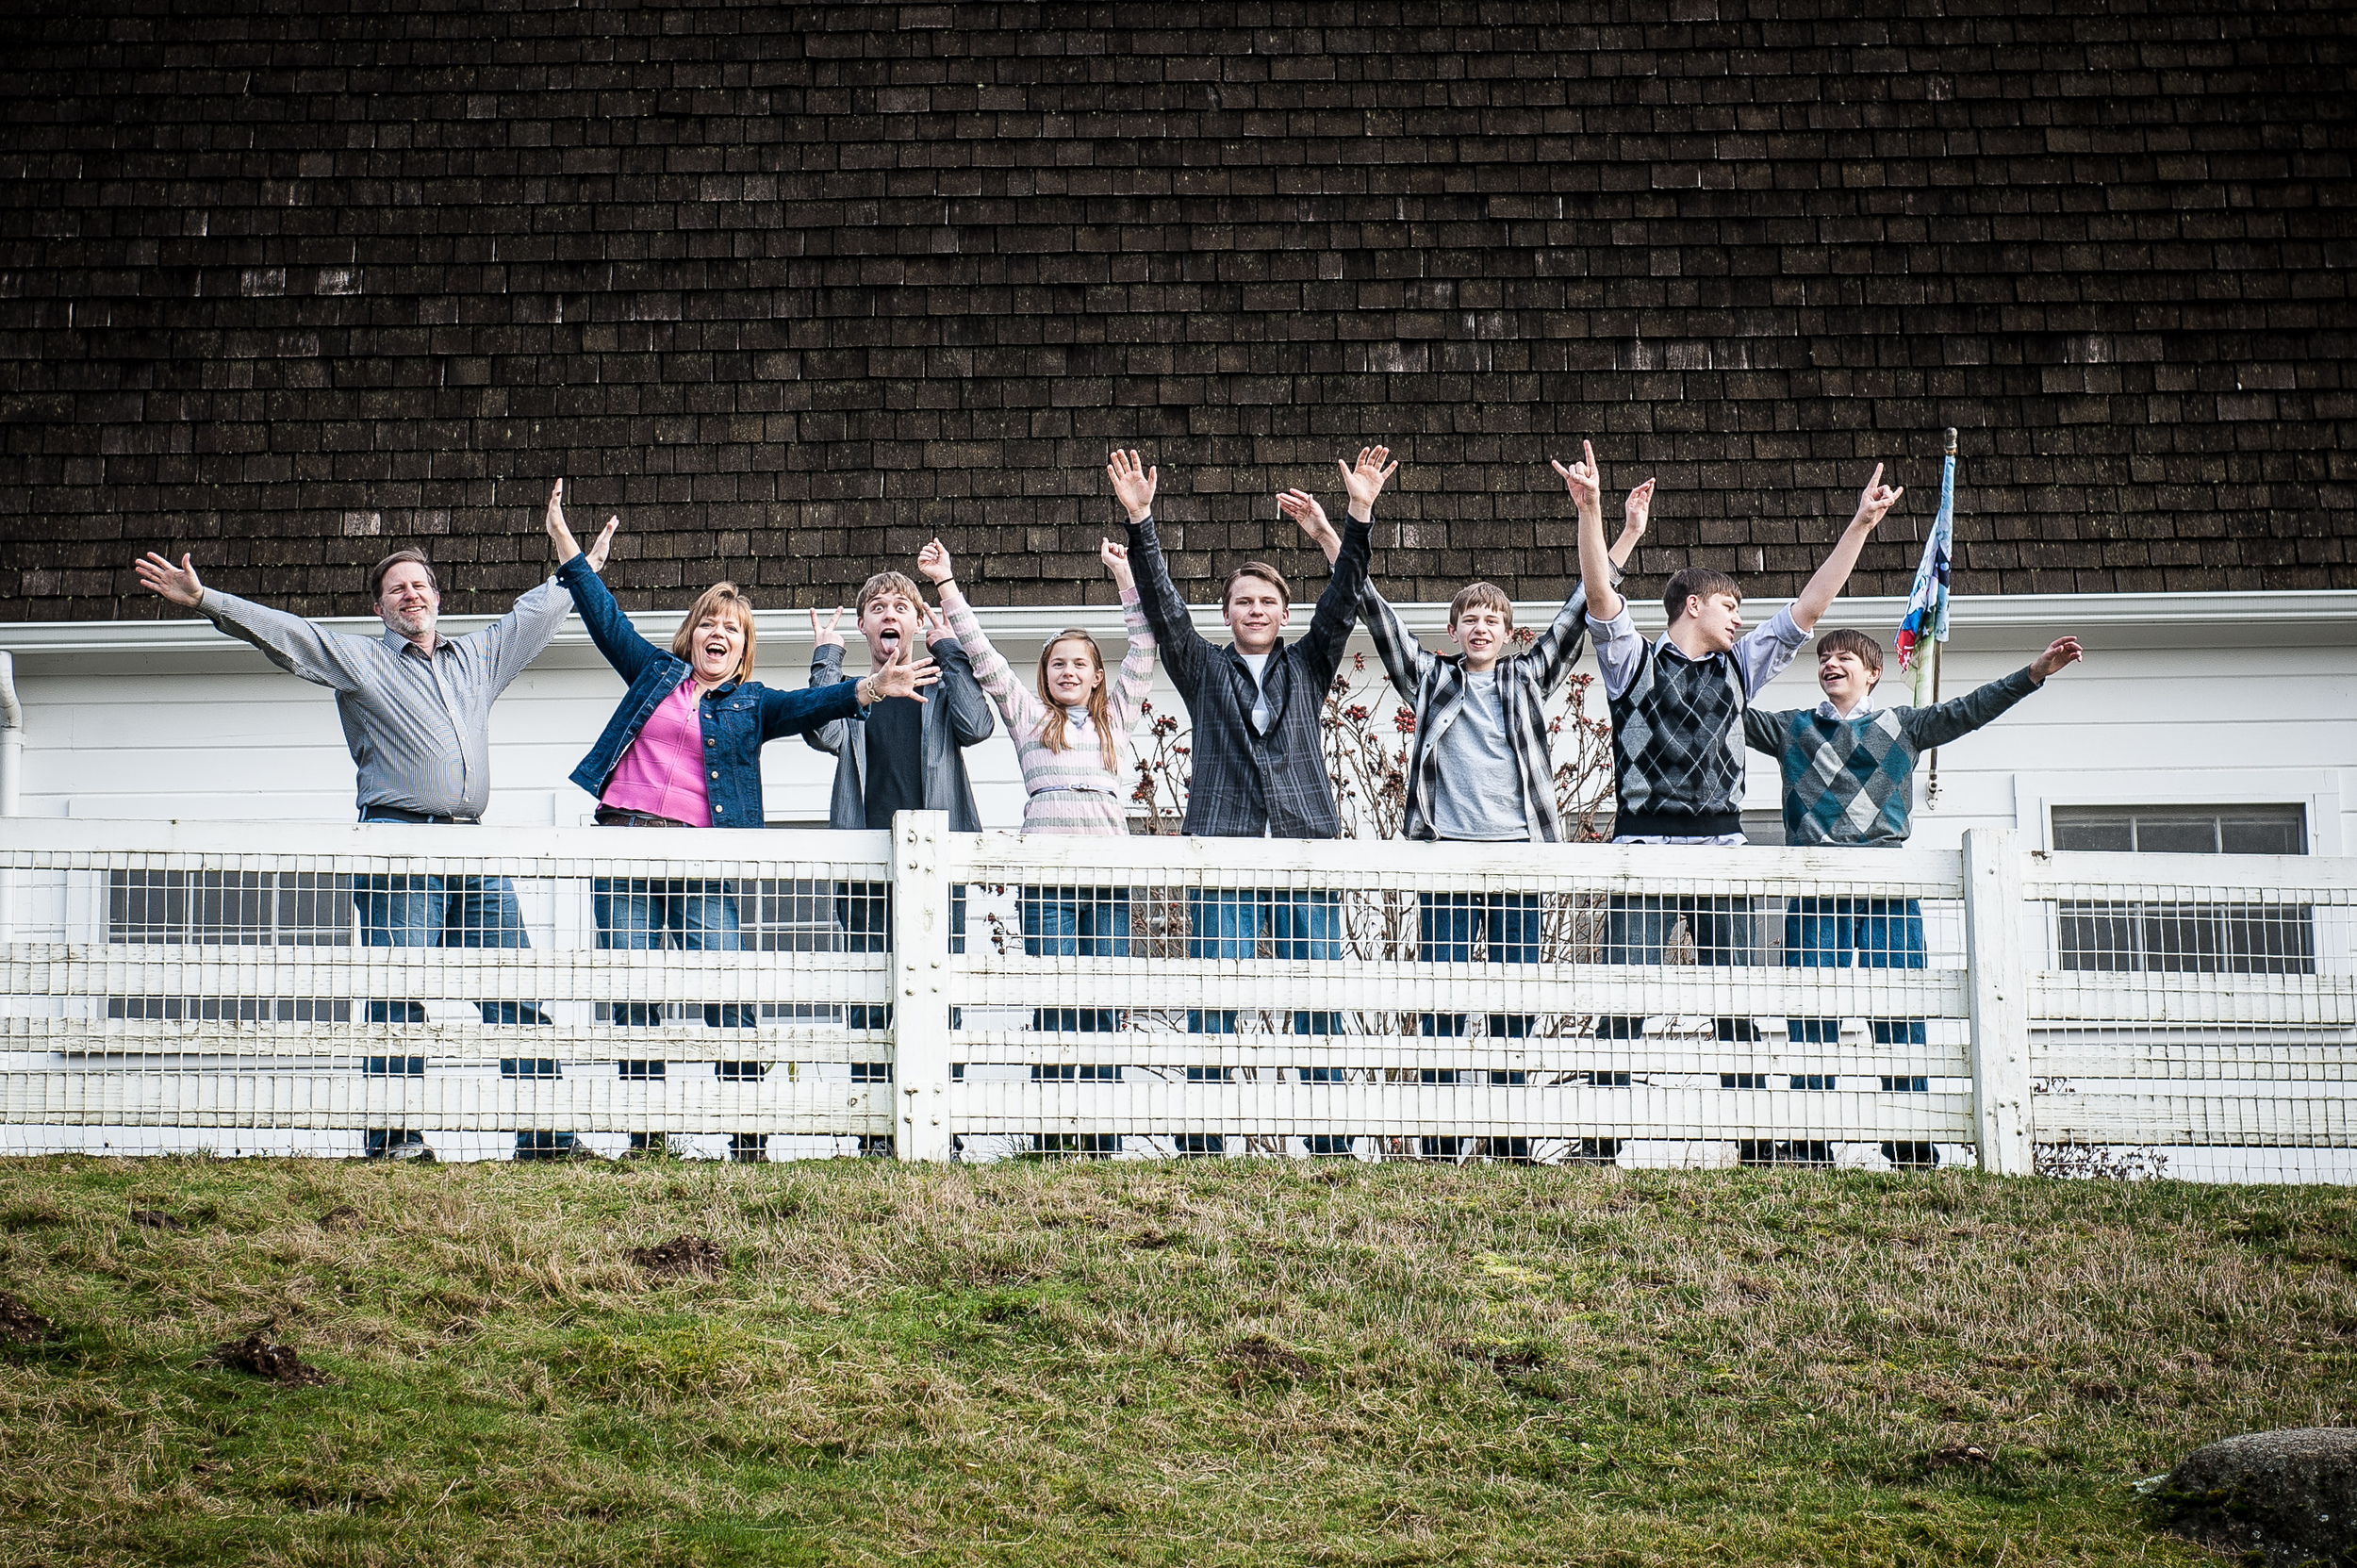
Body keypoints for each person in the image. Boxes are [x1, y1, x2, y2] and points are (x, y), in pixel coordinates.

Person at [131, 486, 612, 1158]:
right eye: (396, 588)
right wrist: (208, 600)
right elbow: (289, 635)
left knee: (517, 990)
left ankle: (548, 1138)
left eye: (419, 584)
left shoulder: (477, 659)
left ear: (437, 597)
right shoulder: (364, 662)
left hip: (473, 848)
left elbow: (538, 610)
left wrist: (579, 562)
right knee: (397, 997)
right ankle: (394, 1140)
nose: (410, 594)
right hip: (397, 843)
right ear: (379, 606)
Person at [1281, 448, 1649, 979]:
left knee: (1515, 988)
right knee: (1441, 985)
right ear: (1452, 631)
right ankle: (1442, 1069)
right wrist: (1325, 536)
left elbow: (1583, 606)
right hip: (1445, 854)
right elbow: (1373, 607)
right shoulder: (1432, 678)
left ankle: (1510, 1068)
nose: (1481, 628)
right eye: (1470, 619)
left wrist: (1626, 535)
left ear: (1507, 633)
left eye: (1492, 621)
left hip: (1519, 855)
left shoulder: (1526, 678)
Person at [546, 489, 937, 983]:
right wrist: (565, 543)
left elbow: (810, 704)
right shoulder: (654, 672)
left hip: (703, 852)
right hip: (626, 840)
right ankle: (640, 1066)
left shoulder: (753, 703)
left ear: (743, 647)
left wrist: (870, 687)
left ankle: (743, 1067)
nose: (719, 633)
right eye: (708, 623)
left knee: (726, 982)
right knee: (631, 983)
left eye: (731, 628)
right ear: (691, 636)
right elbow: (606, 619)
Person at [1563, 441, 1907, 972]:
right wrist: (1591, 512)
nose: (1739, 620)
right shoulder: (1631, 662)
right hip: (1640, 850)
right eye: (1730, 607)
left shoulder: (1739, 667)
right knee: (1623, 1000)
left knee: (1737, 999)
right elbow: (1600, 596)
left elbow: (1810, 607)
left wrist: (1861, 524)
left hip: (1723, 850)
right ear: (1693, 606)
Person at [1751, 625, 2085, 1055]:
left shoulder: (1904, 726)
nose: (1830, 664)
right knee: (1811, 1014)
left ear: (1873, 672)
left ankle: (1911, 1104)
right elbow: (1724, 708)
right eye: (1823, 658)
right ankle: (1815, 1115)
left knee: (1902, 1010)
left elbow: (1970, 710)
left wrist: (2033, 674)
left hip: (1891, 888)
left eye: (1843, 658)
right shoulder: (1790, 730)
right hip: (1816, 888)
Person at [1109, 447, 1373, 972]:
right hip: (1221, 846)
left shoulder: (1308, 664)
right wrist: (1141, 519)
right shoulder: (1204, 669)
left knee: (1317, 990)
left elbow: (1343, 598)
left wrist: (1358, 514)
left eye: (1267, 602)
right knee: (1215, 990)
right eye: (1245, 602)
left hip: (1307, 845)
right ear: (1227, 614)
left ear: (1285, 613)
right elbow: (1164, 607)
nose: (1256, 610)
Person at [915, 535, 1155, 964]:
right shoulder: (1030, 718)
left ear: (1098, 676)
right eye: (1058, 664)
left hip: (1111, 874)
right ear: (1045, 675)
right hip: (1046, 876)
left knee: (1109, 990)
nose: (1068, 671)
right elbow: (986, 658)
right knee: (1054, 995)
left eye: (1080, 663)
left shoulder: (1115, 720)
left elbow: (1143, 647)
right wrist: (946, 582)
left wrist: (1124, 575)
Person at [806, 569, 995, 953]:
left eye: (900, 607)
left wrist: (948, 651)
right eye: (878, 608)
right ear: (863, 624)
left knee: (941, 998)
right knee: (867, 1003)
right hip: (864, 869)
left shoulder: (941, 693)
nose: (889, 615)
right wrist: (826, 657)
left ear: (918, 622)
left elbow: (977, 726)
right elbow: (821, 731)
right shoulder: (850, 696)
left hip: (936, 865)